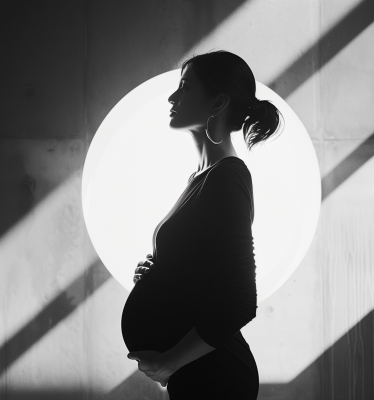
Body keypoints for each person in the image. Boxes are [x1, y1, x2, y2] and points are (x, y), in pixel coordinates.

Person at [121, 50, 282, 399]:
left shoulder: (227, 178)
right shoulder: (201, 177)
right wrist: (159, 277)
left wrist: (169, 364)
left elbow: (240, 300)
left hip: (216, 378)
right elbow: (203, 279)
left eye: (185, 87)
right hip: (195, 373)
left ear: (218, 101)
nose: (172, 97)